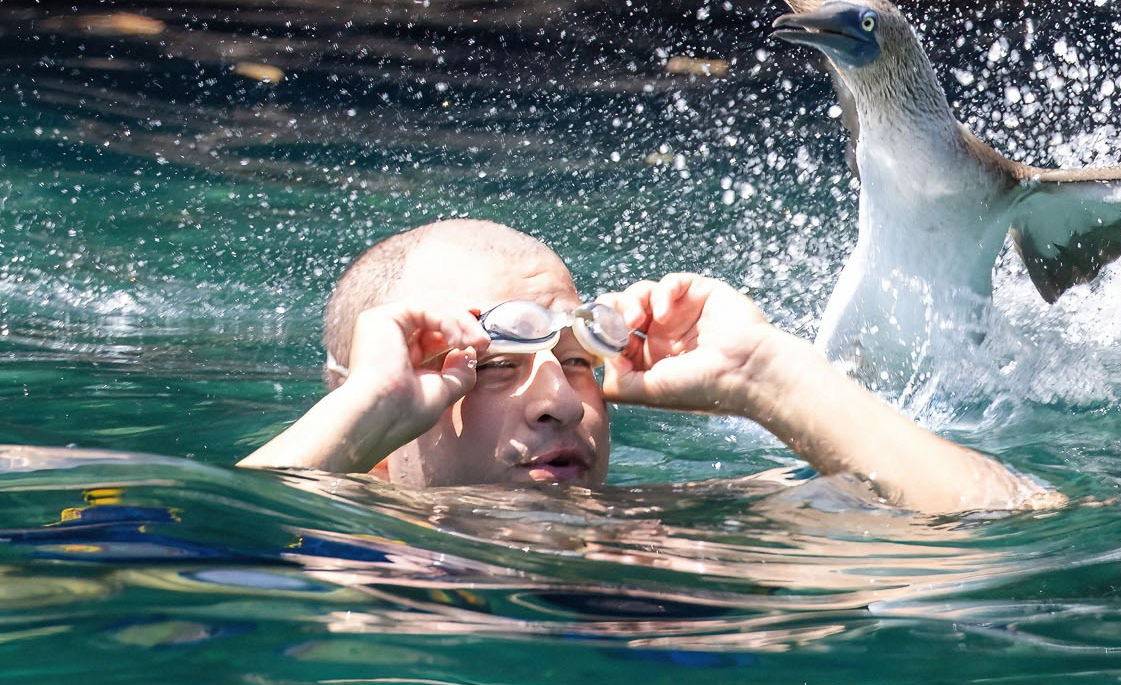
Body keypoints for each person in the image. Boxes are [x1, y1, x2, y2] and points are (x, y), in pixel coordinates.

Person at [240, 218, 1049, 515]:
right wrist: (362, 416)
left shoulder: (678, 537)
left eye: (580, 361)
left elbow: (1012, 528)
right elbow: (166, 574)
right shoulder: (354, 590)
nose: (558, 400)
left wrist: (770, 379)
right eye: (487, 366)